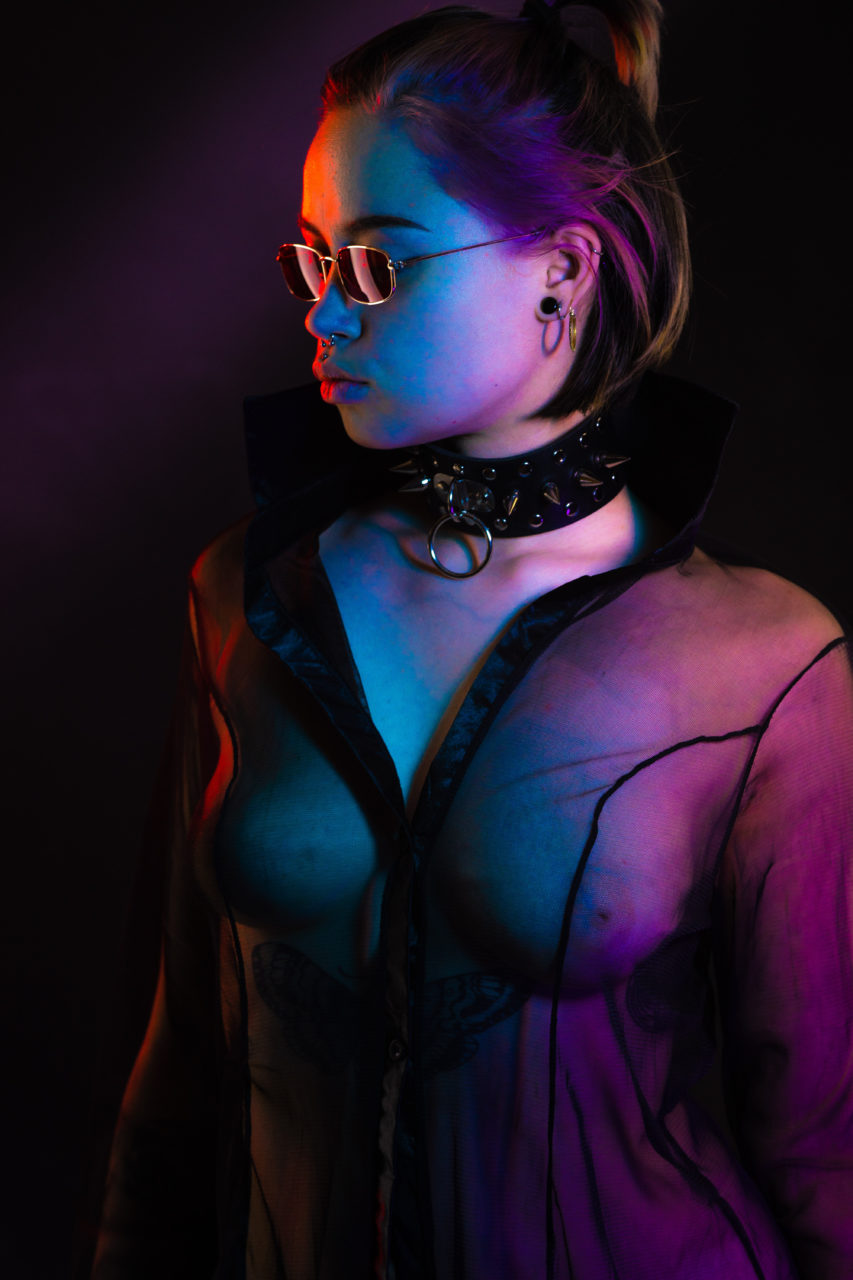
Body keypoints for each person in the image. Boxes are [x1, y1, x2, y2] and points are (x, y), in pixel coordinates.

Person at [91, 2, 853, 1277]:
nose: (325, 318)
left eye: (380, 266)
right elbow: (170, 1093)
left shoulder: (767, 663)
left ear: (563, 269)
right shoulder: (243, 596)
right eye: (312, 263)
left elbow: (830, 1150)